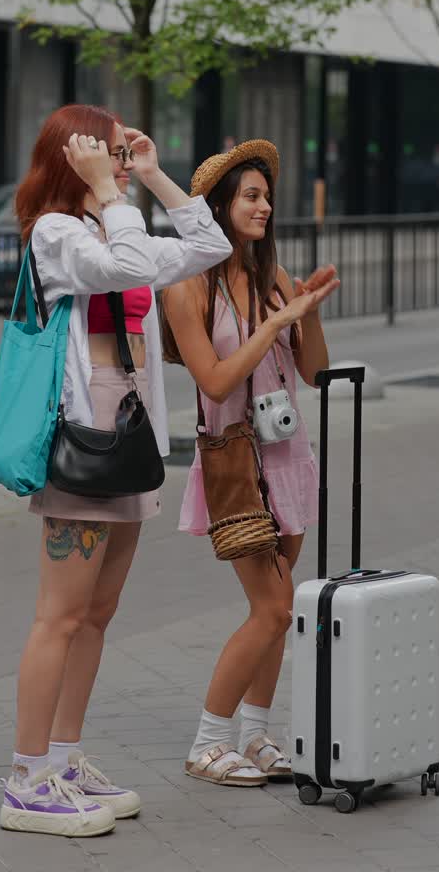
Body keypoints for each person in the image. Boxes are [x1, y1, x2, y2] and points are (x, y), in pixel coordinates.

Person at [0, 103, 232, 837]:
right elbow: (127, 266)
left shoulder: (110, 223)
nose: (118, 161)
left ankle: (64, 759)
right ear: (72, 156)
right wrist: (107, 192)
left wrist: (157, 176)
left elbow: (210, 244)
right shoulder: (56, 234)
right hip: (81, 439)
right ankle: (26, 780)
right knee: (59, 615)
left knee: (97, 614)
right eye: (106, 148)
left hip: (127, 437)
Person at [162, 139, 339, 787]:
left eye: (267, 196)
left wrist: (306, 316)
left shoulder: (275, 279)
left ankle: (257, 735)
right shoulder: (189, 289)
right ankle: (209, 741)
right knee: (270, 608)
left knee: (283, 604)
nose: (265, 207)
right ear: (217, 206)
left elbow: (314, 372)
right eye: (251, 196)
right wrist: (272, 325)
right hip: (233, 464)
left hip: (289, 454)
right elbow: (213, 382)